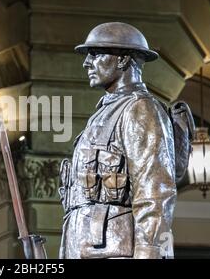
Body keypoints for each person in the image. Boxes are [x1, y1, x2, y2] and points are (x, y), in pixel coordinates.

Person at [58, 22, 177, 259]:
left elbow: (154, 192)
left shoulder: (140, 109)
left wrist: (148, 253)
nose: (86, 63)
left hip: (116, 251)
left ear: (122, 60)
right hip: (85, 249)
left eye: (96, 54)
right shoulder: (102, 114)